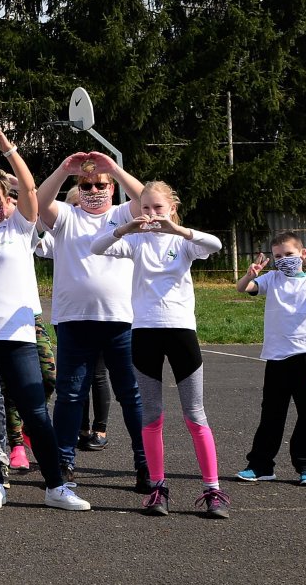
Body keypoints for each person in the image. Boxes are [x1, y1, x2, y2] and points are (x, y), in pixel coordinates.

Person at [0, 126, 90, 513]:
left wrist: (8, 148)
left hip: (17, 335)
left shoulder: (21, 227)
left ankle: (56, 485)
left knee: (35, 410)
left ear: (7, 200)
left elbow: (28, 186)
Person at [90, 181, 228, 518]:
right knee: (152, 417)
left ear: (171, 209)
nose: (152, 215)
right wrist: (124, 227)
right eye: (146, 208)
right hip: (146, 334)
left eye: (158, 209)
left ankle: (213, 490)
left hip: (181, 333)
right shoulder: (135, 241)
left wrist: (178, 230)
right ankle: (157, 488)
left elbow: (216, 244)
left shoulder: (184, 242)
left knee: (195, 415)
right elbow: (97, 247)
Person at [37, 151, 152, 492]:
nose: (94, 189)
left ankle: (145, 463)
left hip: (122, 321)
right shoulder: (66, 215)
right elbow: (38, 201)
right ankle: (63, 461)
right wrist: (63, 168)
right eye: (86, 184)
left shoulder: (122, 214)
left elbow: (146, 197)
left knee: (131, 396)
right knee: (71, 395)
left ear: (112, 189)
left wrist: (114, 168)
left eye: (101, 184)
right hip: (73, 320)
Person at [236, 235, 306, 487]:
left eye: (288, 254)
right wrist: (249, 275)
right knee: (272, 413)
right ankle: (261, 465)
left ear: (301, 253)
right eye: (278, 256)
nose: (283, 260)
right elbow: (243, 289)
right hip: (276, 356)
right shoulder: (272, 279)